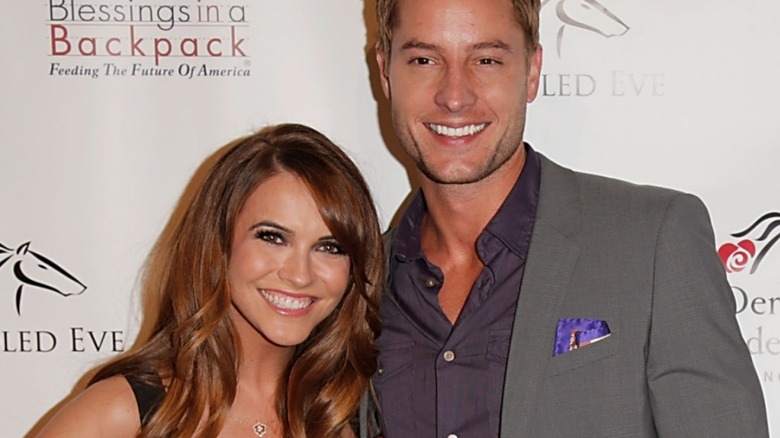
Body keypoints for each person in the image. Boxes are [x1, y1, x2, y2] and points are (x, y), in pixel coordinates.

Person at [371, 0, 769, 437]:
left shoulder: (653, 241)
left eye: (486, 59)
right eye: (424, 59)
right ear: (386, 71)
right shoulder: (356, 284)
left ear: (533, 70)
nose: (454, 95)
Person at [36, 123, 383, 438]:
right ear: (218, 243)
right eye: (273, 238)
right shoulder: (120, 413)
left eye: (330, 247)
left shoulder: (349, 414)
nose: (299, 274)